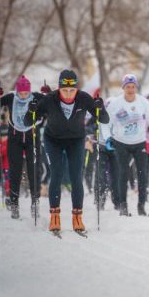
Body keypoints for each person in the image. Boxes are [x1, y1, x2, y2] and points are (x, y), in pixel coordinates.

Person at [26, 70, 107, 234]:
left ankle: (77, 217)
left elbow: (104, 119)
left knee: (76, 176)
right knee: (56, 173)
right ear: (59, 88)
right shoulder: (49, 99)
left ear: (76, 88)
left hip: (76, 140)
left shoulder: (83, 98)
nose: (69, 94)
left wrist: (100, 107)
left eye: (72, 90)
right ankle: (54, 216)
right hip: (53, 140)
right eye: (65, 90)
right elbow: (28, 121)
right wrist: (32, 110)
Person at [0, 76, 49, 219]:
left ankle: (35, 203)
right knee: (15, 171)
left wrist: (48, 93)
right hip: (14, 138)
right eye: (21, 93)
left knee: (34, 170)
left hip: (32, 136)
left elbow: (51, 105)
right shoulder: (10, 98)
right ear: (17, 91)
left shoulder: (37, 97)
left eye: (25, 93)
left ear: (29, 91)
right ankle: (14, 205)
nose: (23, 95)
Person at [105, 74, 149, 216]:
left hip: (139, 142)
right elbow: (104, 122)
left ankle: (141, 206)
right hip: (121, 142)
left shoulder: (143, 102)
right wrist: (108, 138)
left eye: (133, 86)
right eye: (128, 87)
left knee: (142, 174)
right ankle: (123, 206)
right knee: (122, 173)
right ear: (123, 88)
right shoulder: (116, 103)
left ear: (136, 87)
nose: (130, 89)